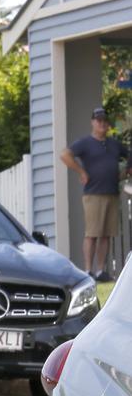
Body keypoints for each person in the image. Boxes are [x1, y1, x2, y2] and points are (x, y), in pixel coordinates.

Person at [60, 106, 132, 281]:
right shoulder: (85, 143)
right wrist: (81, 172)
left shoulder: (114, 144)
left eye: (104, 121)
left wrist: (126, 171)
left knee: (106, 234)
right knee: (92, 233)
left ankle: (100, 270)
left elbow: (129, 154)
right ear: (93, 122)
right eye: (98, 120)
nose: (102, 123)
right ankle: (87, 271)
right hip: (93, 194)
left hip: (112, 193)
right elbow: (65, 155)